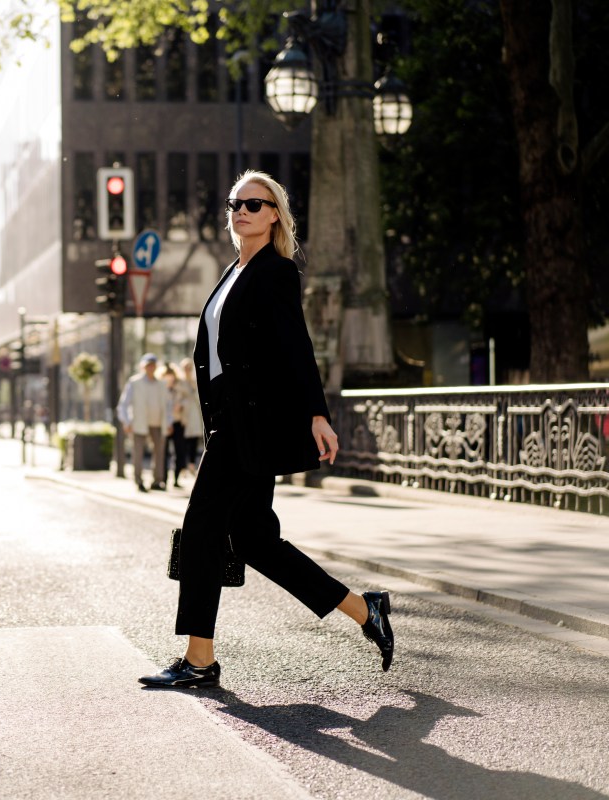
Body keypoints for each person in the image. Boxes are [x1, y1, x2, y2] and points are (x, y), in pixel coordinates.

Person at [139, 170, 395, 688]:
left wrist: (317, 414)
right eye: (234, 203)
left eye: (253, 205)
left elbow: (295, 346)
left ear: (274, 214)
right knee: (255, 541)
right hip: (227, 426)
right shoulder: (233, 271)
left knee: (203, 528)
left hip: (246, 427)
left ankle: (200, 660)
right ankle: (365, 611)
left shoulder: (276, 272)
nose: (241, 211)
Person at [116, 353, 169, 492]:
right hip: (139, 423)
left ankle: (158, 480)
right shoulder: (134, 382)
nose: (150, 368)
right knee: (138, 452)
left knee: (159, 452)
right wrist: (126, 421)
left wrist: (169, 422)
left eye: (153, 365)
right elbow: (123, 404)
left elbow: (168, 405)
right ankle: (138, 480)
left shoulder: (162, 384)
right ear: (143, 367)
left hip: (158, 423)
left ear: (156, 367)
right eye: (148, 365)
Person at [163, 362, 191, 488]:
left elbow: (189, 398)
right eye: (167, 375)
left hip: (178, 422)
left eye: (171, 375)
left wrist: (181, 405)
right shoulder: (160, 387)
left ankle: (175, 478)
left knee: (180, 452)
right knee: (162, 452)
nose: (170, 377)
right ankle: (162, 478)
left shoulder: (181, 386)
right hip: (164, 423)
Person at [178, 356, 204, 475]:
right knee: (183, 442)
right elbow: (178, 399)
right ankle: (182, 466)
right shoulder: (180, 382)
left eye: (189, 367)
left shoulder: (196, 381)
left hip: (194, 414)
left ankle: (192, 464)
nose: (188, 370)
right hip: (183, 415)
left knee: (193, 440)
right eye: (186, 368)